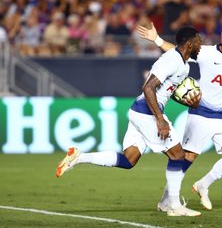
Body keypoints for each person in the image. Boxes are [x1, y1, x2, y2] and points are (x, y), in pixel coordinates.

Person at [55, 26, 202, 217]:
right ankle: (173, 206)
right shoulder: (172, 60)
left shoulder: (183, 63)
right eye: (199, 41)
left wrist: (183, 99)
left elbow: (165, 90)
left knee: (128, 160)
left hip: (140, 110)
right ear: (189, 44)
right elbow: (148, 88)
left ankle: (79, 157)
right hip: (147, 112)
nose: (201, 45)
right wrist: (160, 120)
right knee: (178, 155)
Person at [137, 19, 222, 211]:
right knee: (186, 160)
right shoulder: (206, 52)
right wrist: (156, 39)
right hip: (201, 114)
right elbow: (178, 50)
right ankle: (166, 200)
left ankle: (203, 185)